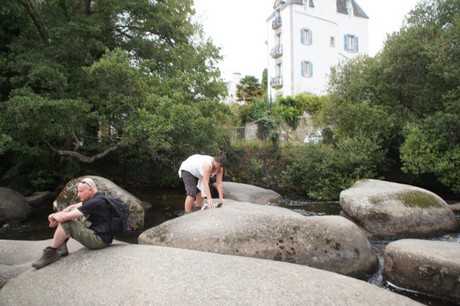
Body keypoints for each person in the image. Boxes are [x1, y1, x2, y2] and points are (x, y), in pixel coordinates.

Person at [32, 178, 113, 269]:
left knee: (67, 223)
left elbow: (64, 217)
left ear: (90, 190)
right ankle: (62, 247)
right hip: (100, 234)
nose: (78, 195)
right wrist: (58, 215)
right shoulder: (99, 197)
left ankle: (51, 252)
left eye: (81, 191)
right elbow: (73, 207)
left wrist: (53, 216)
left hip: (99, 240)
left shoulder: (95, 202)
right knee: (71, 213)